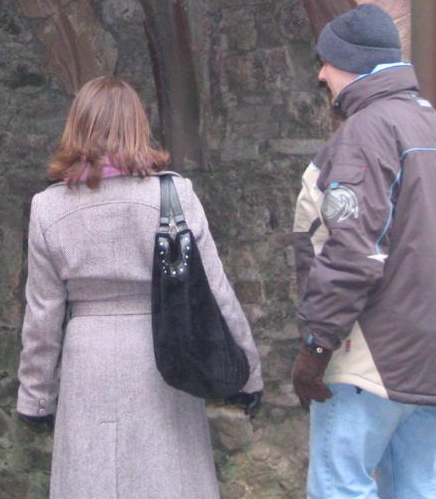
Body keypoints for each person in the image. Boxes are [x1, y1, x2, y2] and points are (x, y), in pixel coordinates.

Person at [16, 75, 263, 499]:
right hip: (165, 355)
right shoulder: (175, 195)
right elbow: (216, 294)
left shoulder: (47, 208)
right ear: (137, 126)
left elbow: (42, 318)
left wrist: (36, 398)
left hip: (88, 360)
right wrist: (248, 375)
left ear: (76, 128)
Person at [288, 4, 436, 499]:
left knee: (340, 487)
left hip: (373, 353)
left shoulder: (365, 133)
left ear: (349, 63)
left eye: (327, 61)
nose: (321, 74)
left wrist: (317, 346)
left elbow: (353, 253)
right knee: (417, 486)